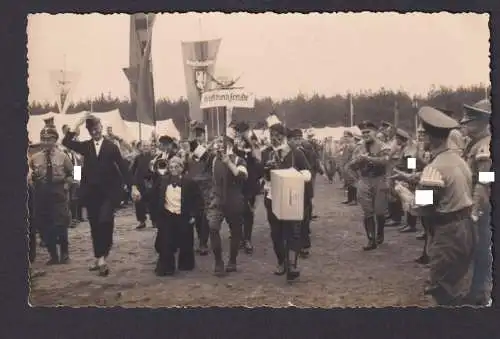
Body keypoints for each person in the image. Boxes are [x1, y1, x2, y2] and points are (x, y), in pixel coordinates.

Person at [395, 106, 476, 306]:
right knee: (455, 279)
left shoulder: (435, 167)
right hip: (466, 227)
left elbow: (421, 206)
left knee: (441, 287)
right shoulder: (458, 160)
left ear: (430, 138)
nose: (421, 141)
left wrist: (403, 193)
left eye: (423, 136)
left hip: (448, 232)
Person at [62, 114, 135, 277]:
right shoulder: (85, 146)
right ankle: (100, 257)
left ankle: (102, 254)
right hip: (91, 194)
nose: (94, 130)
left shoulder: (111, 146)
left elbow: (123, 167)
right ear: (88, 131)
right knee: (95, 225)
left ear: (101, 127)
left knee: (105, 221)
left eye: (96, 127)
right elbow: (65, 142)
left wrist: (133, 186)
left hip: (109, 193)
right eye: (90, 128)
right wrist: (76, 124)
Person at [262, 115, 312, 282]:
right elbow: (262, 177)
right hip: (272, 197)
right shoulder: (267, 154)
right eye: (271, 136)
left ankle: (292, 265)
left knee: (292, 232)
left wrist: (297, 175)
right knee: (276, 233)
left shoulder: (296, 153)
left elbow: (307, 172)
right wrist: (266, 171)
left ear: (283, 137)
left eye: (277, 136)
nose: (274, 139)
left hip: (291, 197)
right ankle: (281, 261)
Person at [459, 99, 492, 306]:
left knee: (482, 249)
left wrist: (475, 209)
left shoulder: (484, 146)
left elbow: (484, 180)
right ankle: (478, 289)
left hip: (482, 205)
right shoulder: (475, 143)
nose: (465, 125)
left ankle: (481, 292)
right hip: (475, 202)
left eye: (470, 121)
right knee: (478, 249)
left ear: (482, 122)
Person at [30, 121, 73, 265]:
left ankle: (65, 253)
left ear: (55, 140)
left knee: (60, 224)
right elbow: (30, 175)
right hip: (41, 193)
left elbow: (76, 171)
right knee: (44, 224)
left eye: (49, 139)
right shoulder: (35, 158)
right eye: (44, 139)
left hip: (58, 191)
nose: (46, 142)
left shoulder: (63, 156)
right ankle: (53, 254)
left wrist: (69, 184)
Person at [206, 134, 248, 276]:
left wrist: (229, 163)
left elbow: (242, 176)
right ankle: (218, 261)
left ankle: (232, 261)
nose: (218, 146)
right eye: (217, 143)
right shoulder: (213, 160)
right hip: (217, 199)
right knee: (212, 228)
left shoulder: (239, 159)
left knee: (235, 231)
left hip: (234, 199)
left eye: (221, 143)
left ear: (229, 146)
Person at [348, 121, 390, 250]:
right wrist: (358, 163)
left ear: (375, 132)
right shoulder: (359, 147)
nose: (365, 134)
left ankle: (380, 233)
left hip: (379, 179)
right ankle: (371, 240)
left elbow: (385, 161)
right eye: (363, 132)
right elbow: (351, 165)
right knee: (367, 211)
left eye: (368, 132)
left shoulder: (383, 146)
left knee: (379, 210)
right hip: (365, 179)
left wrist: (369, 159)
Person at [152, 157, 198, 276]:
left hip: (183, 215)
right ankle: (166, 267)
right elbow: (153, 194)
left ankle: (186, 264)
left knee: (185, 240)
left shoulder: (189, 183)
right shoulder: (163, 180)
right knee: (166, 241)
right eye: (171, 167)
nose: (173, 169)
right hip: (167, 215)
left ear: (181, 168)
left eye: (176, 167)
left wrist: (193, 215)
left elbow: (197, 200)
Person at [233, 121, 263, 255]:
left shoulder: (254, 141)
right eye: (238, 131)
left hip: (250, 181)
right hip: (237, 180)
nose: (240, 134)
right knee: (237, 211)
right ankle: (239, 237)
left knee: (249, 212)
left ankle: (247, 239)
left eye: (242, 131)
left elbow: (258, 157)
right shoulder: (233, 143)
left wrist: (249, 141)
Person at [131, 141, 157, 229]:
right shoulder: (137, 158)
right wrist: (133, 183)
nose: (145, 147)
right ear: (141, 147)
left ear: (150, 147)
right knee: (139, 203)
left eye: (147, 146)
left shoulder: (154, 157)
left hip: (151, 183)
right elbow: (132, 170)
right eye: (144, 146)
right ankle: (142, 221)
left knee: (153, 203)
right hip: (140, 183)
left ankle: (154, 221)